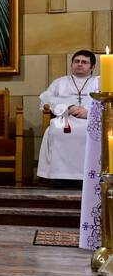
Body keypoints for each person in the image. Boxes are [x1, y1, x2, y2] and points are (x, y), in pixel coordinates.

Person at [38, 50, 96, 184]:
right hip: (66, 119)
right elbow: (45, 98)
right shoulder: (60, 82)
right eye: (76, 61)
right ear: (72, 65)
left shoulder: (99, 82)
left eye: (84, 62)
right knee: (56, 131)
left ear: (92, 67)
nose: (79, 64)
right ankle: (60, 176)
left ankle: (90, 176)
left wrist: (90, 113)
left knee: (94, 132)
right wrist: (68, 107)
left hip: (91, 120)